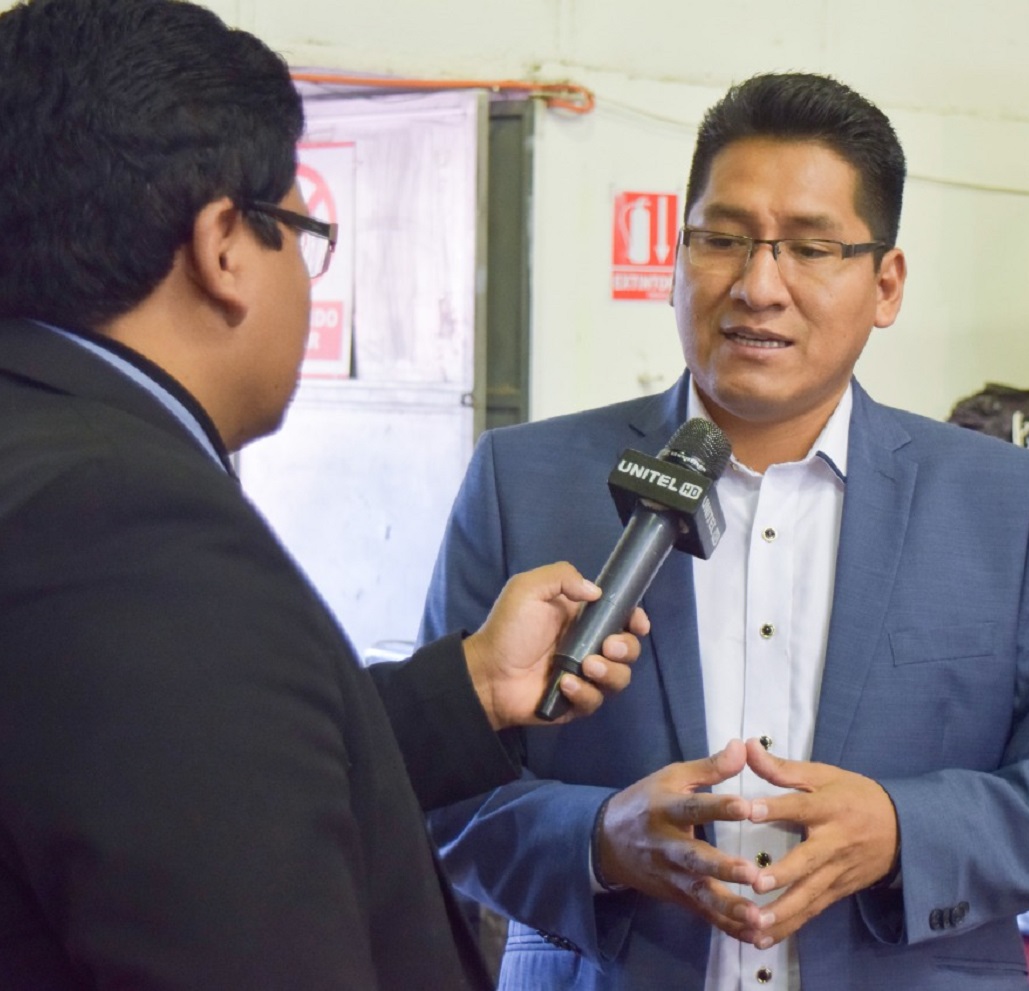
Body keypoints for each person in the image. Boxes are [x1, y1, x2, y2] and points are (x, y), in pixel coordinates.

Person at [420, 71, 1029, 990]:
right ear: (678, 258)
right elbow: (442, 796)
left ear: (885, 284)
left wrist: (902, 829)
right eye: (723, 239)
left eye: (810, 248)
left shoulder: (1007, 503)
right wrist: (599, 840)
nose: (758, 285)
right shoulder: (520, 482)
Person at [0, 1, 647, 989]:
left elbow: (202, 775)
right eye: (304, 234)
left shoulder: (44, 451)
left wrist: (470, 685)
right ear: (225, 246)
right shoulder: (133, 529)